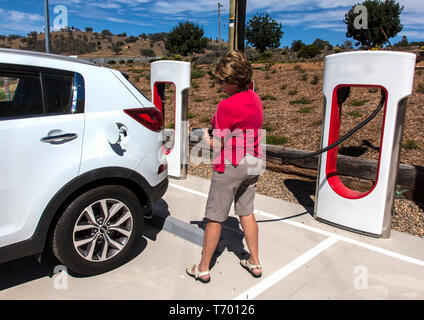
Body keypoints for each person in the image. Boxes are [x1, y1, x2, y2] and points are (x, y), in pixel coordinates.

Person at [186, 50, 265, 283]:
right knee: (246, 212)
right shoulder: (255, 98)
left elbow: (218, 145)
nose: (219, 84)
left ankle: (202, 268)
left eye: (222, 81)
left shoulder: (226, 106)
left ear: (233, 81)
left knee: (215, 217)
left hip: (231, 164)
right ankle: (255, 261)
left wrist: (203, 136)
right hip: (254, 161)